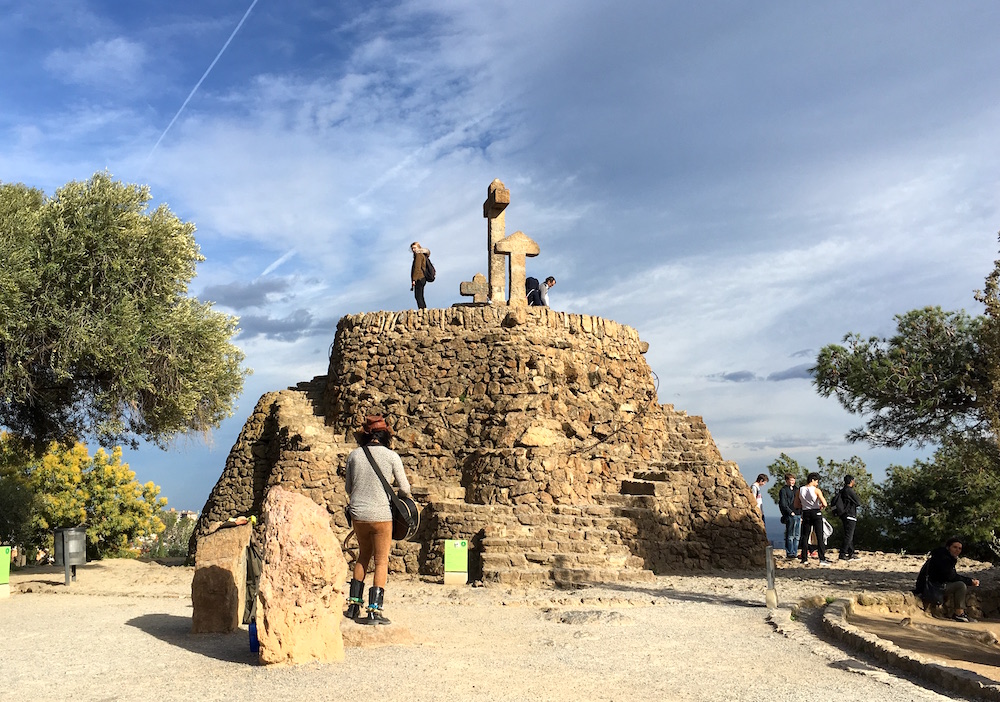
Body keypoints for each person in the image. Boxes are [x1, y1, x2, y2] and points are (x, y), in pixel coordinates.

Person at [344, 414, 412, 625]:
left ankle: (354, 606)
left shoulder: (354, 455)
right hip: (381, 515)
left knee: (363, 556)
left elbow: (348, 488)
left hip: (358, 515)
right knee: (381, 560)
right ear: (386, 435)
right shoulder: (391, 457)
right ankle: (374, 610)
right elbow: (405, 488)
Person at [914, 537, 981, 622]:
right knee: (960, 586)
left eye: (959, 548)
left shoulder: (942, 556)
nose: (957, 550)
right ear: (948, 547)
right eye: (955, 547)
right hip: (932, 587)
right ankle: (959, 613)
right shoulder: (944, 559)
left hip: (932, 585)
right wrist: (970, 581)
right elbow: (951, 576)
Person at [795, 472, 831, 566]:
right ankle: (822, 558)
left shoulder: (800, 490)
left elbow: (796, 504)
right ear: (813, 480)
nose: (817, 483)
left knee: (805, 535)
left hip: (805, 512)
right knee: (819, 535)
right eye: (816, 481)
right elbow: (825, 503)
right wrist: (820, 506)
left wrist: (804, 505)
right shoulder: (816, 490)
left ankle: (804, 558)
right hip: (815, 512)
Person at [778, 473, 801, 560]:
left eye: (793, 480)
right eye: (791, 480)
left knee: (797, 535)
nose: (792, 482)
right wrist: (790, 512)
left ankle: (795, 552)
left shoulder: (797, 489)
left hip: (798, 514)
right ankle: (789, 552)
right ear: (787, 481)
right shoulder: (783, 490)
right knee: (790, 535)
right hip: (790, 515)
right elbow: (783, 503)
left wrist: (800, 513)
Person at [838, 475, 862, 561]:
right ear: (851, 481)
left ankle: (851, 552)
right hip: (850, 515)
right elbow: (858, 502)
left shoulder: (842, 491)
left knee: (848, 535)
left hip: (844, 515)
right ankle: (843, 553)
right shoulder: (849, 491)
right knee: (849, 535)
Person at [410, 242, 430, 309]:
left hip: (420, 277)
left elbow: (417, 268)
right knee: (420, 295)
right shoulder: (422, 255)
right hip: (422, 278)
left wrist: (414, 280)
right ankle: (423, 310)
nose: (413, 250)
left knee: (418, 296)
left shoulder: (418, 255)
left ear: (418, 247)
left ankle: (423, 310)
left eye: (414, 248)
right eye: (412, 248)